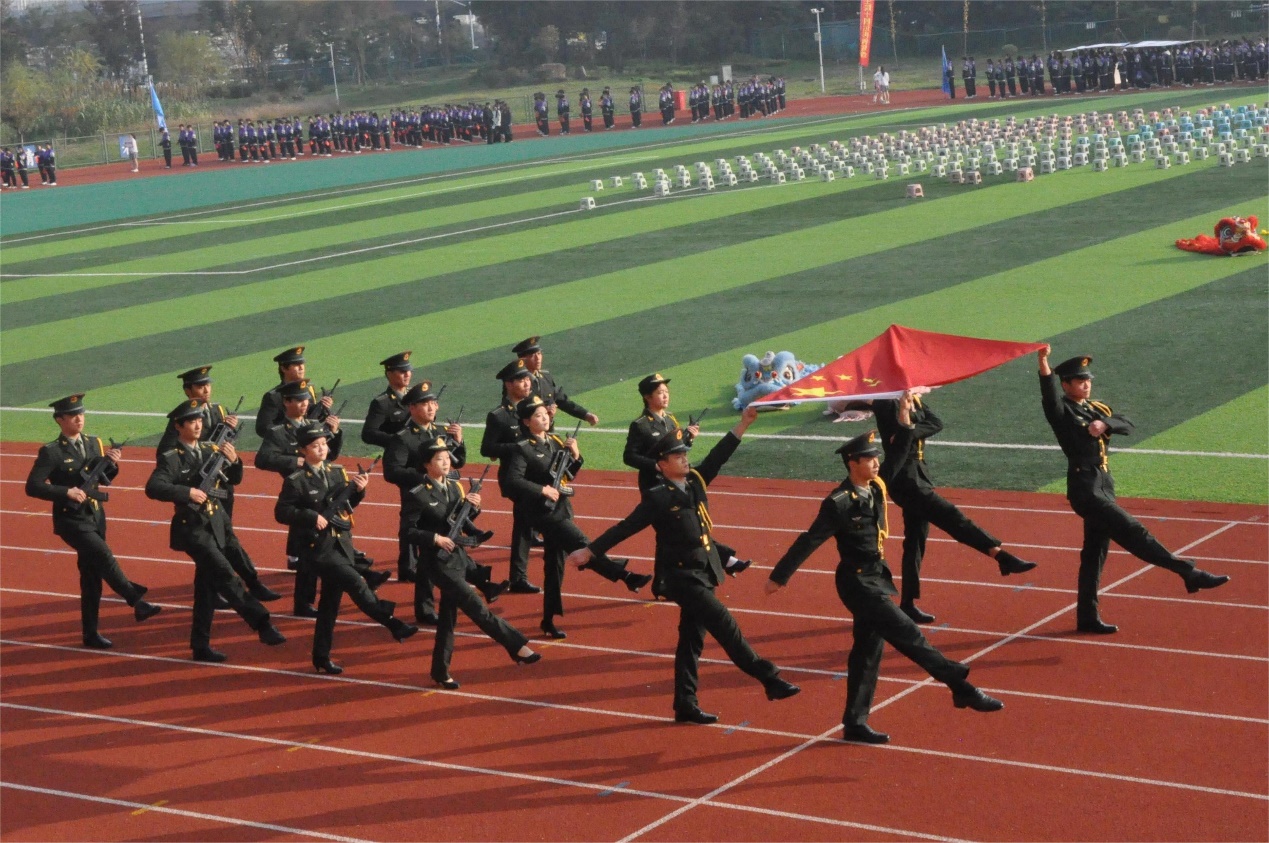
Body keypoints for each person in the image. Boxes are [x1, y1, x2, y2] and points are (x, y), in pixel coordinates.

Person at [765, 410, 1005, 745]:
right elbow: (810, 539)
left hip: (876, 577)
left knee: (866, 654)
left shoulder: (876, 487)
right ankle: (961, 686)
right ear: (852, 463)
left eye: (876, 458)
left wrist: (904, 420)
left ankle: (855, 723)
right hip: (857, 584)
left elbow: (899, 454)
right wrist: (780, 576)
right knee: (909, 635)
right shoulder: (839, 502)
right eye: (869, 459)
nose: (876, 463)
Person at [569, 407, 800, 724]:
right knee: (725, 625)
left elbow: (718, 457)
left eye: (684, 455)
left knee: (691, 641)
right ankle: (769, 678)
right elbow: (625, 528)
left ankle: (685, 704)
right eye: (677, 457)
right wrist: (590, 552)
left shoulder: (695, 482)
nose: (684, 459)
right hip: (681, 577)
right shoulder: (657, 497)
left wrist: (743, 425)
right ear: (662, 465)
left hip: (704, 572)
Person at [1037, 348, 1229, 633]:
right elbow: (1048, 394)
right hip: (1084, 488)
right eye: (1079, 381)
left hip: (1104, 483)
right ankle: (1188, 571)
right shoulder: (1061, 411)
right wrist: (1043, 362)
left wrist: (1105, 423)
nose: (1086, 385)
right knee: (1133, 531)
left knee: (1094, 555)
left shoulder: (1097, 409)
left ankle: (1087, 617)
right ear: (1066, 385)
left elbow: (1127, 424)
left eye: (1088, 380)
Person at [872, 392, 1036, 624]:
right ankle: (999, 554)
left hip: (919, 476)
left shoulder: (912, 397)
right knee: (952, 516)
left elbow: (936, 423)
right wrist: (909, 426)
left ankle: (907, 604)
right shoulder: (885, 401)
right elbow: (898, 440)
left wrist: (912, 429)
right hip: (904, 480)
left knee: (915, 542)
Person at [146, 400, 287, 662]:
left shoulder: (211, 449)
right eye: (191, 421)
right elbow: (153, 487)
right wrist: (187, 492)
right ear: (178, 427)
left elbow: (234, 479)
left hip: (218, 522)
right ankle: (262, 623)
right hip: (193, 529)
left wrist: (235, 461)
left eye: (200, 420)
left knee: (207, 588)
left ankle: (200, 646)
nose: (198, 425)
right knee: (225, 574)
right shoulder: (171, 458)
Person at [275, 424, 418, 675]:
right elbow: (281, 512)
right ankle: (392, 623)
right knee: (357, 583)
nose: (322, 449)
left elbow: (347, 505)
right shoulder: (296, 481)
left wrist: (359, 491)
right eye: (315, 446)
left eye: (324, 444)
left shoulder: (337, 472)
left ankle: (321, 657)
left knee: (329, 606)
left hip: (341, 544)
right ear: (303, 450)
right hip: (318, 549)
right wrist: (311, 517)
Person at [506, 395, 652, 639]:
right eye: (538, 416)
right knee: (583, 544)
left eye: (545, 414)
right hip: (543, 514)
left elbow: (568, 475)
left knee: (555, 568)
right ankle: (625, 576)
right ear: (526, 422)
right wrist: (542, 489)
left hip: (562, 509)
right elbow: (513, 480)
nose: (545, 418)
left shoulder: (554, 441)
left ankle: (548, 620)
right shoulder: (522, 449)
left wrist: (576, 455)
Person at [25, 394, 162, 649]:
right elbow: (32, 486)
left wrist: (112, 464)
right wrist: (65, 492)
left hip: (96, 516)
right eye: (72, 415)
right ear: (59, 420)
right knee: (103, 555)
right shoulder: (52, 452)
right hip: (71, 519)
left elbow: (104, 478)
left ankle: (90, 633)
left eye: (81, 414)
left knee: (91, 575)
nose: (79, 419)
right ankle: (136, 601)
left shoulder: (94, 443)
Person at [406, 436, 541, 688]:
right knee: (477, 608)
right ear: (426, 464)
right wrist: (435, 538)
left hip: (458, 557)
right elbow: (407, 531)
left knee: (447, 620)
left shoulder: (455, 487)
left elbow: (460, 519)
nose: (446, 462)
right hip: (437, 564)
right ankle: (517, 646)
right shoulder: (417, 494)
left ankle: (440, 671)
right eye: (439, 459)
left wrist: (474, 507)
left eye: (447, 458)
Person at [157, 366, 281, 604]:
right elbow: (167, 452)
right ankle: (224, 591)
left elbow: (226, 445)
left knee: (223, 540)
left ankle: (230, 588)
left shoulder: (219, 411)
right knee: (211, 545)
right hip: (199, 488)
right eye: (200, 386)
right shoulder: (181, 419)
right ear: (188, 391)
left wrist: (228, 431)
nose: (206, 389)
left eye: (208, 385)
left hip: (221, 485)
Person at [623, 374, 750, 584]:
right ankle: (725, 559)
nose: (665, 396)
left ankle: (662, 584)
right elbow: (629, 456)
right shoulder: (641, 425)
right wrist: (654, 465)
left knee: (669, 532)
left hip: (674, 482)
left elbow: (676, 449)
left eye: (666, 392)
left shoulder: (670, 419)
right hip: (654, 485)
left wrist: (689, 437)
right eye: (660, 393)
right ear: (647, 397)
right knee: (677, 529)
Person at [256, 378, 346, 614]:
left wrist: (334, 433)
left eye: (306, 399)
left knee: (322, 545)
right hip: (299, 490)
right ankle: (304, 602)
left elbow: (330, 455)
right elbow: (262, 459)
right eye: (299, 400)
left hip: (320, 487)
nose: (305, 403)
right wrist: (295, 461)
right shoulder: (277, 432)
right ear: (286, 402)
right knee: (308, 550)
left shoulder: (314, 424)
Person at [481, 361, 539, 593]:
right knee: (524, 526)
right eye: (521, 380)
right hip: (515, 477)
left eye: (527, 379)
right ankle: (518, 578)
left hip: (537, 474)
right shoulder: (499, 416)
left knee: (534, 524)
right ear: (508, 384)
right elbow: (487, 449)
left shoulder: (534, 408)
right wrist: (517, 448)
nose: (527, 383)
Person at [256, 346, 331, 437]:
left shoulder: (308, 389)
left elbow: (311, 417)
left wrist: (323, 408)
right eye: (296, 364)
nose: (301, 367)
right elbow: (263, 428)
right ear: (283, 368)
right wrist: (290, 431)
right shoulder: (274, 396)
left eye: (302, 364)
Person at [361, 351, 414, 450]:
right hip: (398, 455)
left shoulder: (416, 396)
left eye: (409, 370)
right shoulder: (382, 403)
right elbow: (368, 434)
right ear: (389, 374)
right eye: (402, 371)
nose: (407, 374)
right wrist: (396, 441)